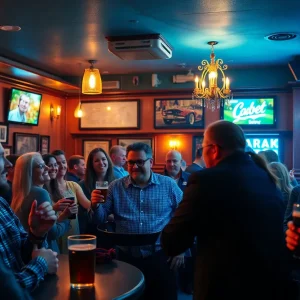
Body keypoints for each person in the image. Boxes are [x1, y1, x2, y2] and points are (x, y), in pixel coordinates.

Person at [161, 120, 295, 300]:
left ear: (214, 149)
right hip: (267, 284)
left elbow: (172, 241)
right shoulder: (266, 176)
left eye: (203, 147)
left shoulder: (205, 180)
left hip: (224, 287)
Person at [92, 143, 184, 300]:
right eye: (130, 162)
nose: (134, 166)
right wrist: (95, 206)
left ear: (151, 162)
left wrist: (181, 249)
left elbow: (183, 218)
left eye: (139, 162)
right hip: (125, 260)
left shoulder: (168, 185)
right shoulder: (115, 187)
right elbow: (99, 220)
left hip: (160, 258)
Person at [0, 143, 59, 292]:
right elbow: (7, 291)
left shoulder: (2, 203)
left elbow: (20, 253)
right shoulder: (40, 193)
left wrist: (36, 234)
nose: (8, 165)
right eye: (1, 157)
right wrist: (41, 264)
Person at [11, 153, 72, 253]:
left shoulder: (21, 193)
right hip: (45, 254)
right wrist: (66, 218)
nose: (48, 168)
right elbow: (52, 233)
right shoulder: (40, 193)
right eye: (41, 166)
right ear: (28, 172)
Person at [51, 150, 100, 254]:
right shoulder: (46, 188)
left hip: (72, 234)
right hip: (56, 233)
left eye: (63, 162)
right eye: (57, 163)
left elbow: (88, 205)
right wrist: (55, 208)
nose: (61, 166)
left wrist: (97, 201)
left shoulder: (73, 185)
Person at [164, 150, 193, 295]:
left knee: (186, 284)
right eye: (169, 161)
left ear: (181, 162)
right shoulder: (159, 179)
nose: (171, 164)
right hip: (165, 234)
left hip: (186, 231)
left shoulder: (191, 179)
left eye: (175, 161)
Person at [78, 148, 115, 235]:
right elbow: (81, 212)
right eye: (97, 161)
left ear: (108, 161)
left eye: (103, 159)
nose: (101, 163)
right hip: (91, 231)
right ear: (91, 165)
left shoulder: (116, 183)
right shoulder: (82, 185)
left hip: (112, 231)